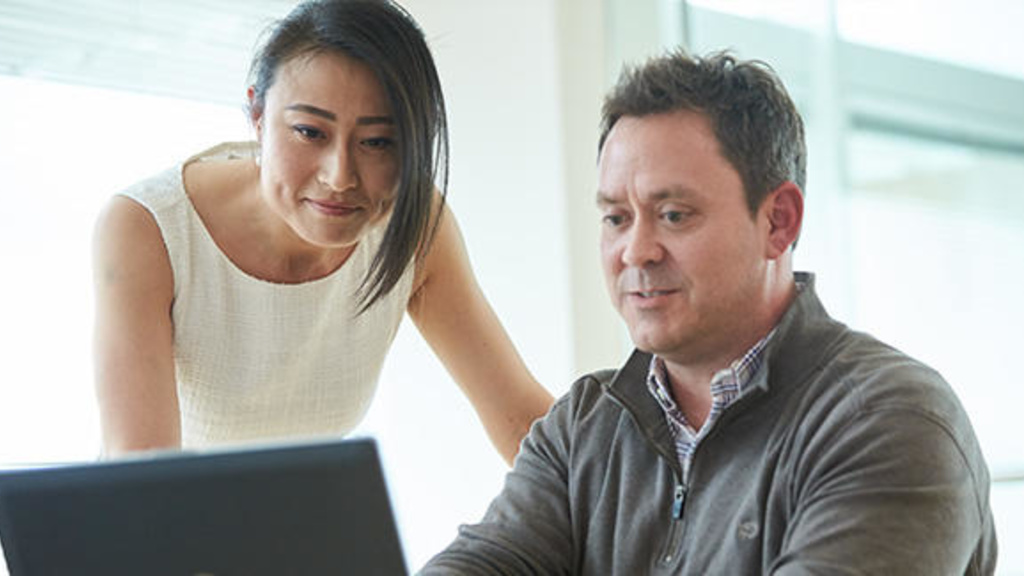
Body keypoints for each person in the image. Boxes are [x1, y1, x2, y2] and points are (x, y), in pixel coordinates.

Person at [422, 50, 997, 574]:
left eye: (673, 214)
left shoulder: (888, 421)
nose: (636, 251)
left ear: (779, 222)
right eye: (617, 218)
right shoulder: (583, 428)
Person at [91, 0, 553, 464]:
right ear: (257, 115)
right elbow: (141, 472)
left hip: (308, 523)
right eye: (310, 132)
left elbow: (519, 421)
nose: (339, 177)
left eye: (376, 142)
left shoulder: (413, 226)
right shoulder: (149, 227)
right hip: (160, 525)